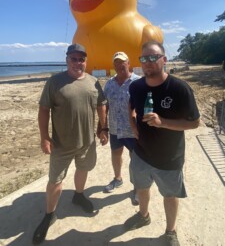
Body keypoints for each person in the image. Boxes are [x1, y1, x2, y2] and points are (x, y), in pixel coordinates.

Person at [124, 41, 200, 246]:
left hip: (169, 158)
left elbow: (194, 123)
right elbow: (130, 107)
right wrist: (132, 125)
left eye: (153, 57)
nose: (147, 63)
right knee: (141, 187)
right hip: (140, 154)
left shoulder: (179, 88)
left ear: (164, 60)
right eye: (143, 59)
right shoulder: (136, 86)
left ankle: (170, 231)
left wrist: (163, 122)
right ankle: (143, 215)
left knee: (170, 195)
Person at [32, 44, 108, 245]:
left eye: (81, 59)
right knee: (55, 180)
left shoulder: (93, 82)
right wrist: (44, 137)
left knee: (83, 169)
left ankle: (79, 195)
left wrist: (103, 127)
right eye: (73, 59)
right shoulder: (55, 82)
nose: (77, 62)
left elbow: (101, 105)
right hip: (61, 144)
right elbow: (43, 110)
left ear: (86, 61)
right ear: (66, 60)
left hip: (87, 142)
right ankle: (49, 215)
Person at [102, 52, 140, 205]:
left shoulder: (138, 82)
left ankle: (137, 187)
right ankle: (117, 179)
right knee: (116, 154)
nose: (119, 65)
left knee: (135, 159)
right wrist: (102, 128)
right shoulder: (109, 84)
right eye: (116, 63)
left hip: (132, 130)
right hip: (115, 128)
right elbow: (105, 106)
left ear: (128, 63)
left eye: (122, 62)